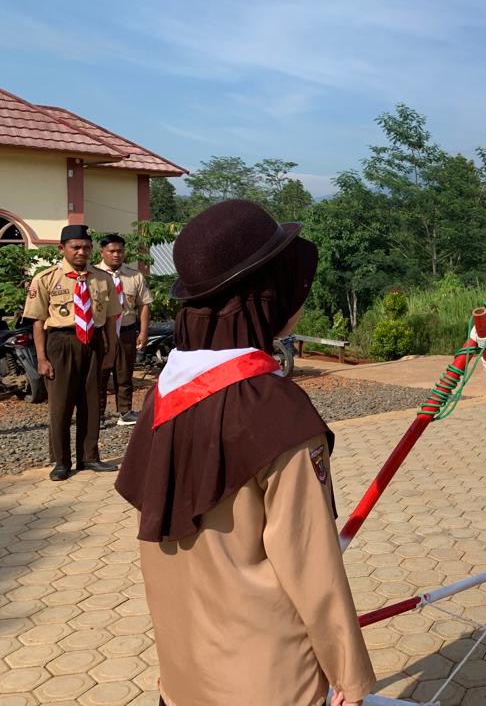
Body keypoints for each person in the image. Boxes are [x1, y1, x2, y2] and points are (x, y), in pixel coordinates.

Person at [115, 201, 374, 706]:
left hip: (183, 673)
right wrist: (350, 674)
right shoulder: (276, 412)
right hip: (270, 677)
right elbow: (311, 564)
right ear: (267, 295)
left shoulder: (162, 396)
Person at [23, 224, 119, 481]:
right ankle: (61, 462)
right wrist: (41, 358)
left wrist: (110, 352)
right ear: (62, 248)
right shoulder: (46, 279)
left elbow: (110, 319)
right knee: (60, 405)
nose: (81, 252)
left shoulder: (102, 278)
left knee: (91, 403)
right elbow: (37, 321)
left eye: (86, 247)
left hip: (93, 342)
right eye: (75, 247)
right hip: (61, 343)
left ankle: (89, 457)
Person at [96, 233, 153, 426]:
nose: (116, 255)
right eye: (111, 251)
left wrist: (143, 332)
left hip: (127, 331)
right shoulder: (93, 275)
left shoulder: (134, 276)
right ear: (102, 252)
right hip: (101, 333)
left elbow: (144, 305)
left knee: (124, 373)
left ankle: (125, 412)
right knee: (100, 374)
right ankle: (98, 414)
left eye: (120, 251)